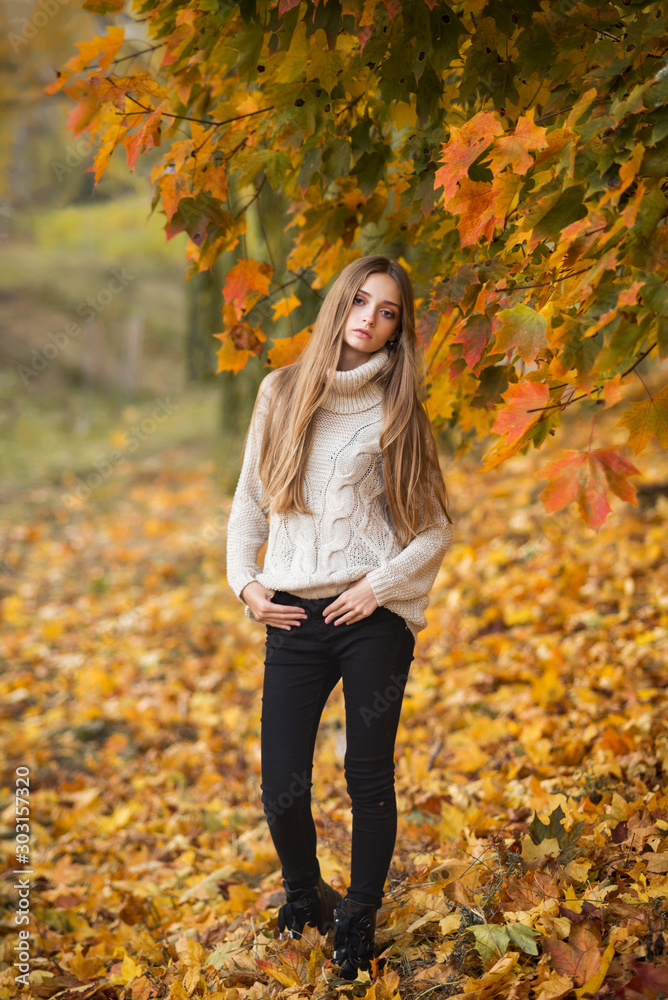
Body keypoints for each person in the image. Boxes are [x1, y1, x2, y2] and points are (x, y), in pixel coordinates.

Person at [225, 254, 453, 980]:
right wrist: (246, 585)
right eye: (361, 302)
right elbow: (249, 505)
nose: (370, 318)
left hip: (368, 619)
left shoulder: (399, 409)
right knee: (280, 782)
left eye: (388, 311)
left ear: (399, 329)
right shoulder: (281, 390)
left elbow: (434, 528)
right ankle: (305, 895)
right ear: (339, 305)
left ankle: (357, 918)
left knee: (367, 775)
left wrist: (380, 588)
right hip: (291, 615)